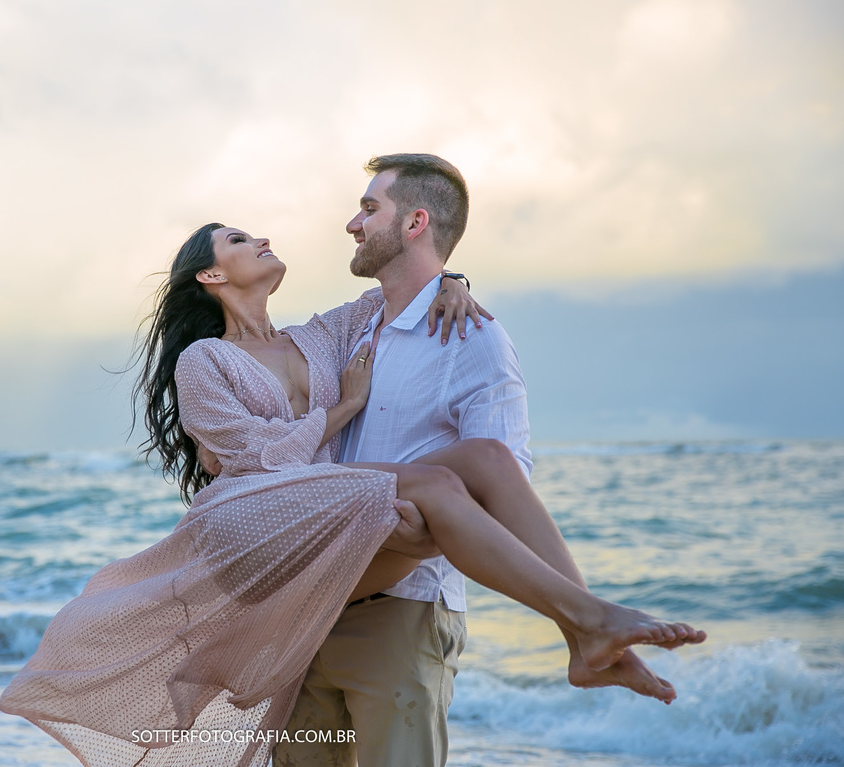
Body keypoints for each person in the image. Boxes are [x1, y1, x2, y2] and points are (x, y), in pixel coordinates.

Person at [0, 215, 705, 767]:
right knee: (430, 487)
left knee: (485, 461)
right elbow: (253, 459)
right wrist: (340, 411)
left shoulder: (324, 336)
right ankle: (589, 621)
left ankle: (586, 630)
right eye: (241, 239)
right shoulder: (203, 361)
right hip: (254, 523)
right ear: (212, 275)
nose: (262, 239)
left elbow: (402, 287)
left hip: (326, 506)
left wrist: (455, 280)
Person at [274, 153, 684, 766]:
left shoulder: (473, 339)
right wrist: (451, 280)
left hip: (402, 613)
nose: (352, 225)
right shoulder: (354, 332)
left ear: (414, 222)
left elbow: (502, 480)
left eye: (368, 208)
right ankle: (587, 629)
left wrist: (433, 523)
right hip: (307, 612)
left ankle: (587, 632)